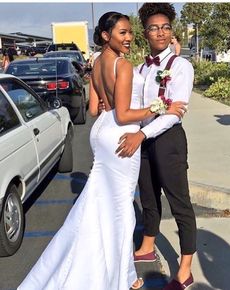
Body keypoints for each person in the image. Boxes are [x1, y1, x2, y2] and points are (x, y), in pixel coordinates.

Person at [17, 11, 185, 290]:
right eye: (122, 33)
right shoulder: (123, 65)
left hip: (101, 133)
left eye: (130, 32)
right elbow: (124, 113)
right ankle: (121, 277)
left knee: (100, 202)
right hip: (120, 134)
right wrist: (161, 107)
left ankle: (121, 272)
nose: (129, 37)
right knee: (120, 207)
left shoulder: (96, 65)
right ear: (107, 36)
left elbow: (95, 109)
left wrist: (113, 107)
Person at [116, 3, 196, 290]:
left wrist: (142, 134)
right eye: (154, 27)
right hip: (145, 139)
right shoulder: (141, 68)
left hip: (168, 141)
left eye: (166, 27)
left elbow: (175, 112)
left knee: (180, 205)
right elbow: (134, 106)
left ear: (171, 30)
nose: (161, 32)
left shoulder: (181, 66)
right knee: (148, 197)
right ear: (145, 33)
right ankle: (147, 245)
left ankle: (185, 271)